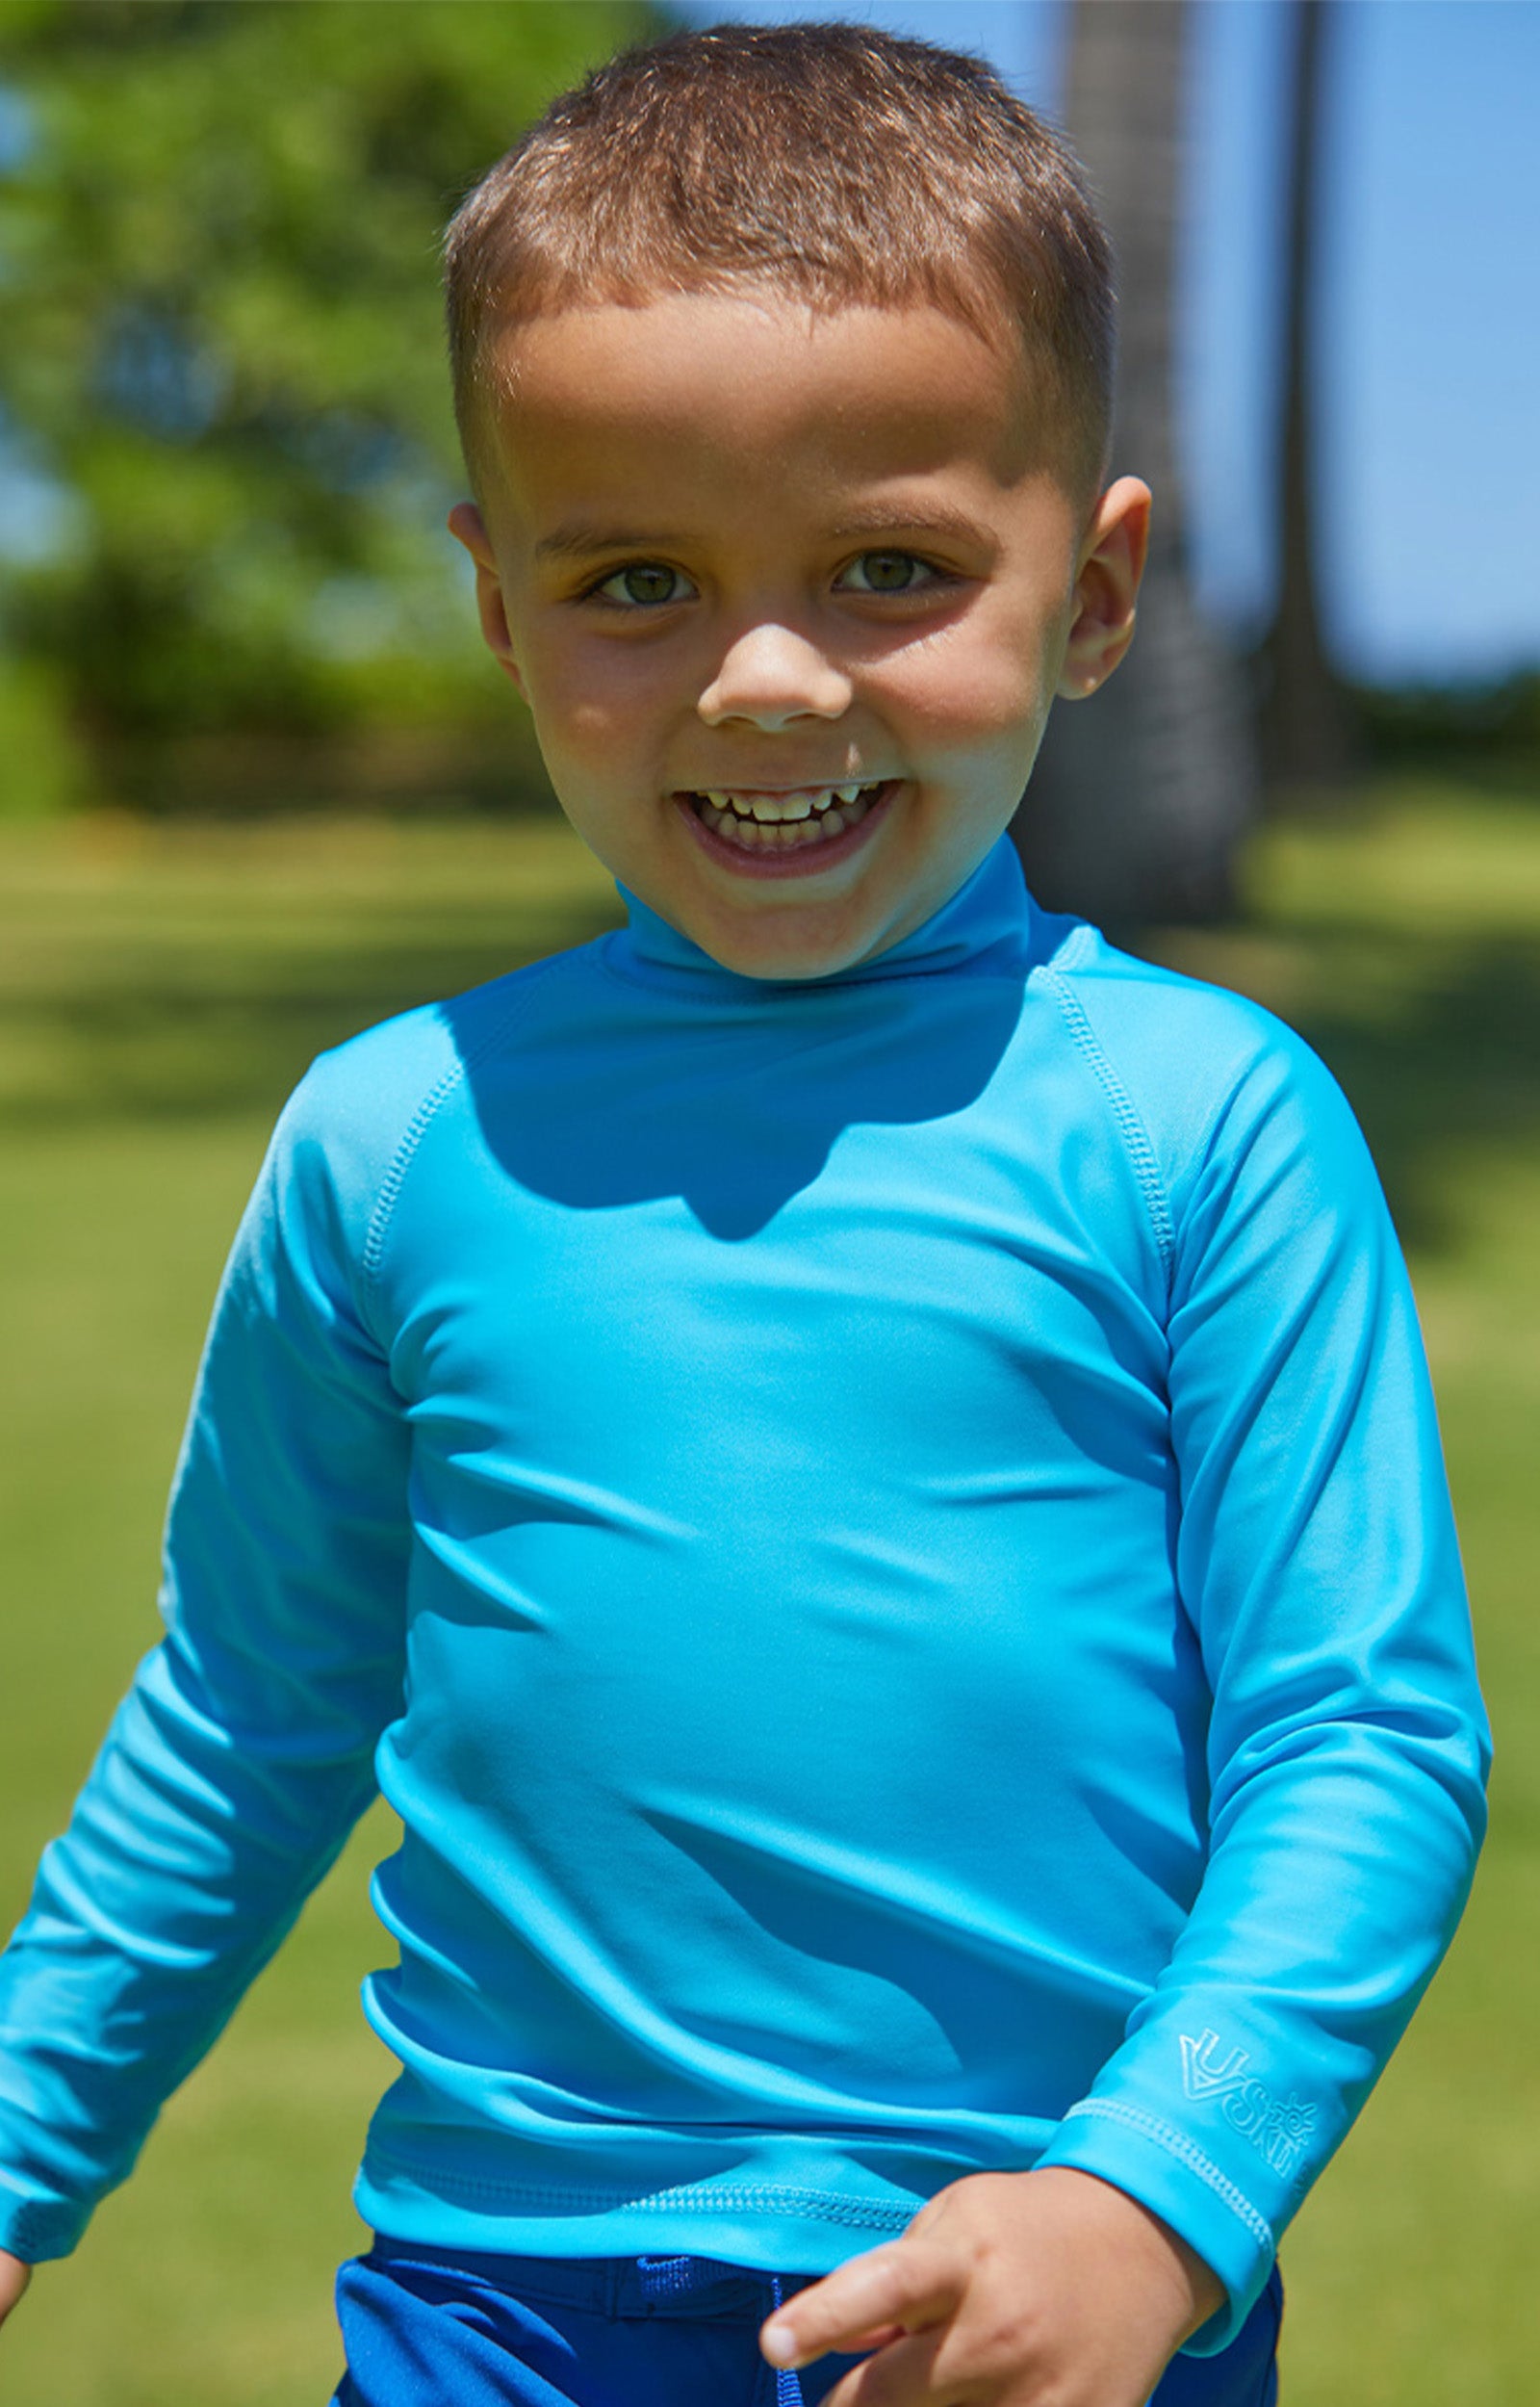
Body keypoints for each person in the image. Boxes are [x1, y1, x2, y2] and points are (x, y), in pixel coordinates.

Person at [0, 22, 1489, 2407]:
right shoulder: (394, 1138)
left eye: (889, 567)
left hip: (1039, 2274)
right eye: (635, 580)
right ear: (496, 601)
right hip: (503, 2292)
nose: (767, 677)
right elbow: (249, 1702)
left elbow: (1359, 1736)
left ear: (1093, 590)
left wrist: (1148, 2198)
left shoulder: (1197, 1123)